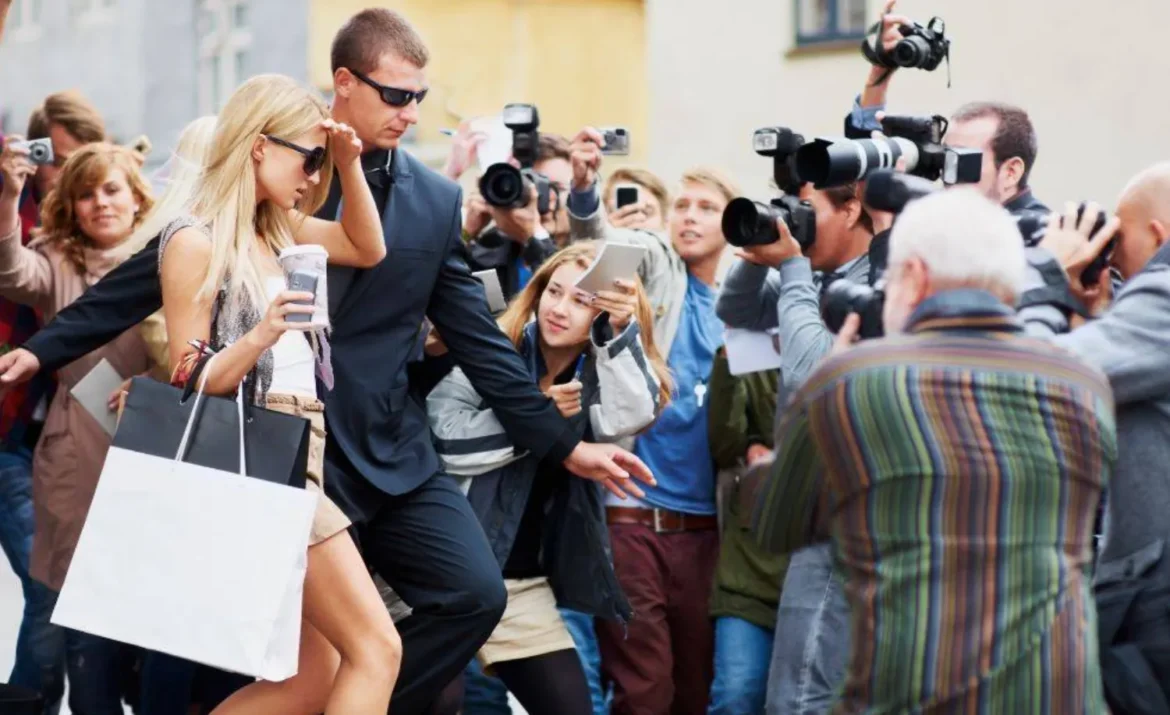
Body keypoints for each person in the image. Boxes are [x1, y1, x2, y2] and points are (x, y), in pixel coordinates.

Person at [0, 10, 652, 713]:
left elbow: (468, 330)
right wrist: (42, 349)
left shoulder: (401, 203)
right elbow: (155, 286)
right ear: (344, 83)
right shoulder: (260, 200)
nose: (411, 112)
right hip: (266, 450)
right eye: (396, 95)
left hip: (377, 450)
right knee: (325, 658)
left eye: (419, 98)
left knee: (403, 632)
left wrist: (564, 445)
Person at [754, 189, 1115, 713]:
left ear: (914, 276)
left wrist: (823, 387)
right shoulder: (1083, 382)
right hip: (1054, 694)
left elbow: (777, 522)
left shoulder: (857, 381)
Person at [427, 242, 671, 715]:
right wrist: (540, 423)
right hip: (443, 573)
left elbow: (630, 415)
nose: (559, 309)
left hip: (520, 585)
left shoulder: (597, 373)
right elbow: (445, 438)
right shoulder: (493, 345)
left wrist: (619, 331)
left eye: (581, 299)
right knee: (439, 700)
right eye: (554, 292)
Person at [0, 141, 155, 714]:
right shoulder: (59, 260)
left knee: (144, 603)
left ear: (137, 197)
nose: (101, 203)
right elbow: (11, 270)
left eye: (112, 189)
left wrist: (152, 386)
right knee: (75, 603)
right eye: (86, 194)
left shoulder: (170, 254)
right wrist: (10, 196)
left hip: (151, 446)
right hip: (74, 454)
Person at [1019, 164, 1170, 708]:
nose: (1113, 261)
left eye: (1118, 243)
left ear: (1158, 234)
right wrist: (1098, 316)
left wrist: (1042, 277)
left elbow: (1038, 380)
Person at [0, 90, 106, 709]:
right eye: (56, 159)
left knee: (67, 590)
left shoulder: (102, 228)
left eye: (83, 159)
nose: (68, 174)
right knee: (50, 587)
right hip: (13, 434)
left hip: (74, 439)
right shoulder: (27, 227)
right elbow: (14, 270)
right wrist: (9, 194)